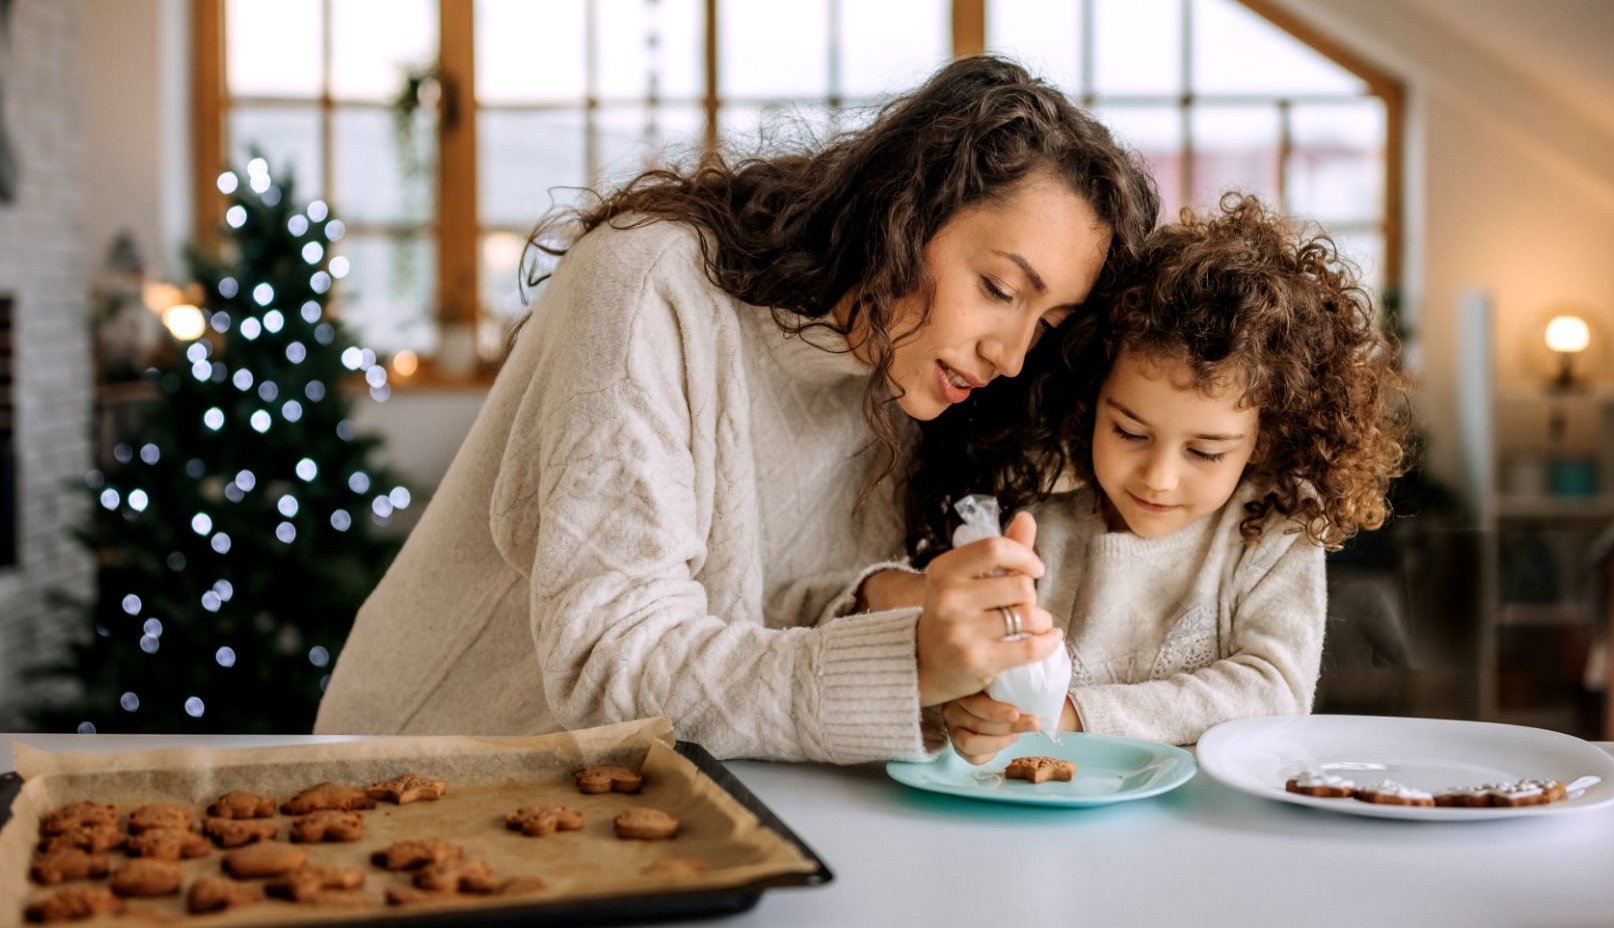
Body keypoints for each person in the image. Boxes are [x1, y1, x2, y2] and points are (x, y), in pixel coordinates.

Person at [313, 55, 1160, 763]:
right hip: (419, 769)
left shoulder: (906, 375)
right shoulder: (649, 284)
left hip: (641, 796)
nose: (1010, 355)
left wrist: (910, 618)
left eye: (1045, 323)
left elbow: (768, 607)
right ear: (905, 211)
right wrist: (904, 666)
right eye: (999, 289)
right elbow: (611, 660)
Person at [935, 194, 1410, 761]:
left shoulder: (1276, 528)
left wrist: (1077, 714)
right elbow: (975, 667)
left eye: (1205, 452)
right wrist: (971, 709)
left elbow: (1274, 690)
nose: (1158, 478)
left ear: (1266, 438)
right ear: (1090, 400)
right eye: (1129, 433)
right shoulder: (1039, 512)